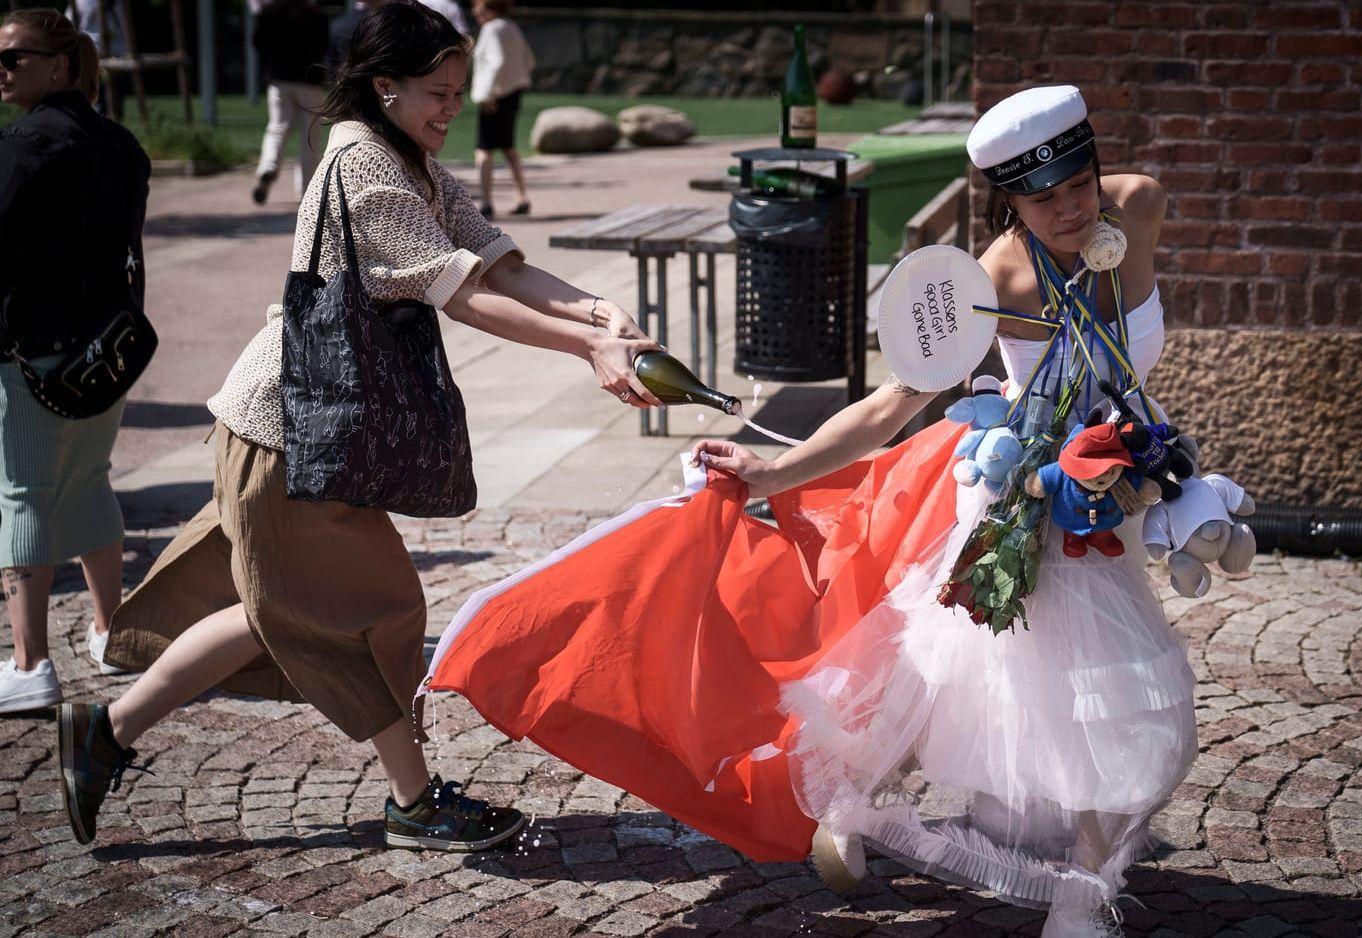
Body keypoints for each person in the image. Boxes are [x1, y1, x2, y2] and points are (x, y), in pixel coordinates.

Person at [421, 86, 1189, 937]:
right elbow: (886, 408)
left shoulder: (1141, 205)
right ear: (1006, 200)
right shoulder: (987, 278)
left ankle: (862, 812)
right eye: (1045, 198)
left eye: (1078, 183)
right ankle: (1059, 886)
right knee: (1010, 681)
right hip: (1013, 499)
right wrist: (773, 470)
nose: (1071, 207)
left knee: (1004, 681)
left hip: (1107, 490)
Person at [55, 0, 663, 853]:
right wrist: (587, 349)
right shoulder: (364, 166)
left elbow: (497, 258)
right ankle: (414, 802)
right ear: (385, 86)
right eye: (437, 93)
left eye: (458, 91)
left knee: (281, 610)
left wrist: (601, 314)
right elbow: (465, 295)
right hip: (290, 428)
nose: (453, 107)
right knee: (367, 611)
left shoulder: (406, 156)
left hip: (293, 426)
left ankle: (105, 732)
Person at [0, 8, 149, 712]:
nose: (1, 71)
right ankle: (110, 631)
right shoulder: (120, 143)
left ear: (57, 66)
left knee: (22, 494)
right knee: (89, 481)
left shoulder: (24, 144)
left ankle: (29, 666)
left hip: (29, 348)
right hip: (106, 348)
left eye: (11, 58)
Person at [250, 0, 329, 204]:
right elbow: (323, 48)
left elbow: (258, 43)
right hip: (309, 82)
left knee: (277, 128)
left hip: (278, 79)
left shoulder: (269, 12)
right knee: (309, 137)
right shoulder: (316, 15)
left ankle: (268, 166)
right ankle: (306, 189)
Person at [470, 0, 532, 218]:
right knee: (509, 147)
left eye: (477, 8)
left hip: (493, 97)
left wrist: (486, 93)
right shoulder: (511, 26)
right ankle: (522, 196)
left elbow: (496, 60)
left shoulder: (491, 28)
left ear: (489, 8)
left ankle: (486, 202)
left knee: (484, 150)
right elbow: (529, 60)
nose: (474, 12)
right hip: (513, 94)